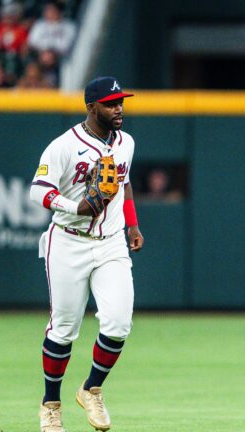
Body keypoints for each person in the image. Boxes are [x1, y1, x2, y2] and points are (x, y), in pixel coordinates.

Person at [29, 76, 145, 432]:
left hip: (110, 242)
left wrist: (133, 224)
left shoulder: (126, 142)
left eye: (121, 101)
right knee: (64, 328)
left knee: (119, 321)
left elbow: (123, 184)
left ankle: (92, 388)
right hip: (68, 240)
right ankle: (50, 404)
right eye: (111, 103)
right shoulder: (63, 146)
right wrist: (75, 206)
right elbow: (39, 191)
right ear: (92, 107)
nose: (119, 108)